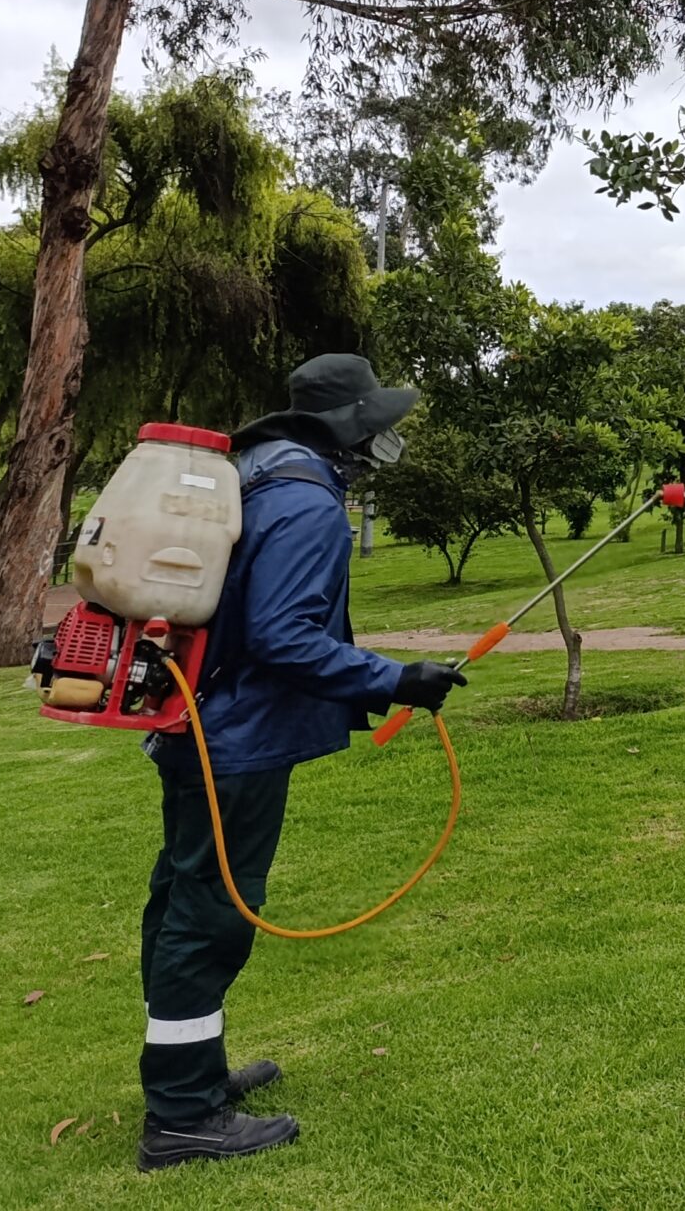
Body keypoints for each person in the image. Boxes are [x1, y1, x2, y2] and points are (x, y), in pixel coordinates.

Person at [135, 354, 467, 1173]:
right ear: (350, 429)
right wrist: (397, 679)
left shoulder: (256, 476)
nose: (384, 444)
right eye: (378, 428)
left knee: (183, 897)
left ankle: (193, 1074)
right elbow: (284, 638)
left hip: (198, 725)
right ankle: (180, 1117)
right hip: (237, 741)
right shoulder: (308, 503)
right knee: (208, 915)